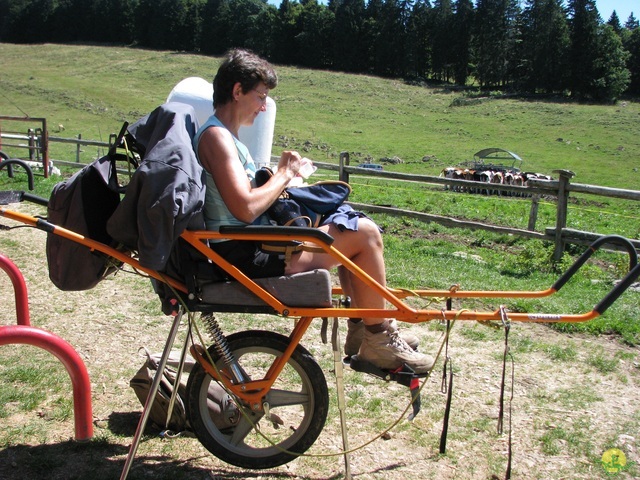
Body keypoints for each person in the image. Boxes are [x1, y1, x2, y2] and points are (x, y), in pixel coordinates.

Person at [192, 48, 434, 374]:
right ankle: (377, 339)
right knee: (365, 235)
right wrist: (284, 174)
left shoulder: (225, 137)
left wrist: (284, 179)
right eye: (261, 96)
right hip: (248, 252)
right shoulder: (216, 138)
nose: (264, 107)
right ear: (237, 91)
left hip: (256, 243)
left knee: (349, 224)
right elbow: (246, 208)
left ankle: (366, 329)